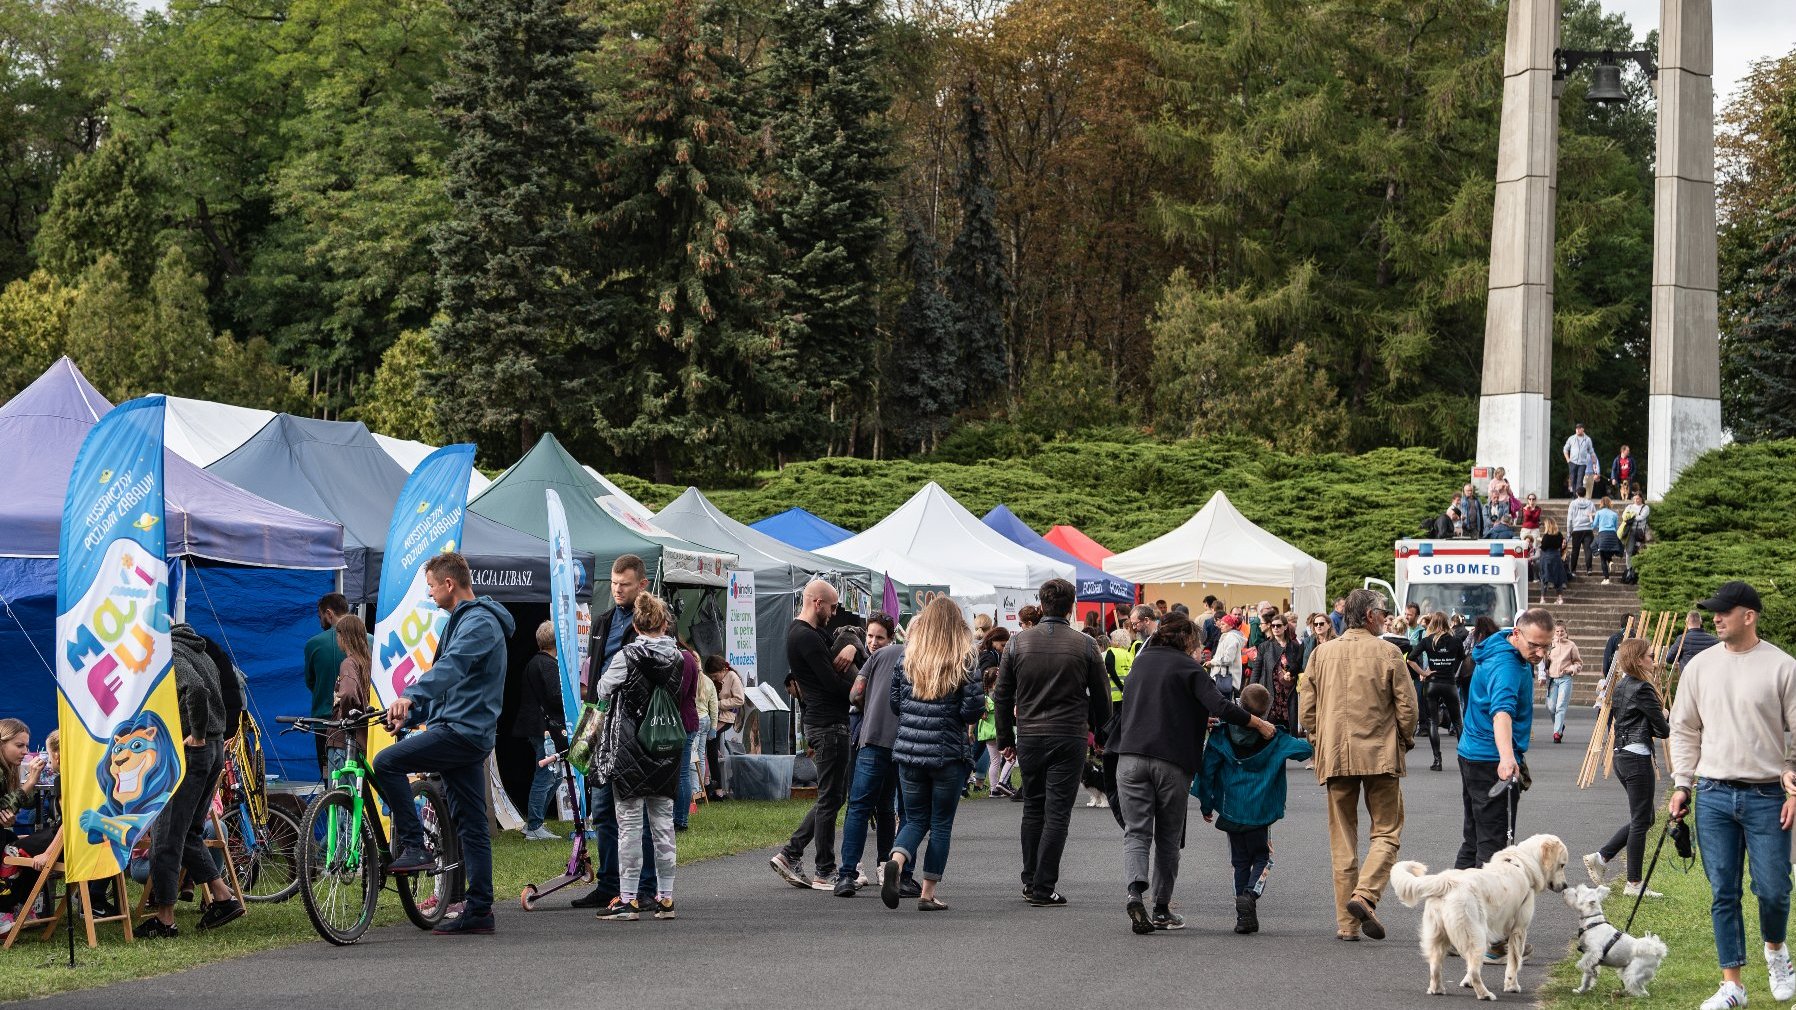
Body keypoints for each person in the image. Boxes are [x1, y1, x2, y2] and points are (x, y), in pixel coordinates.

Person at [1668, 581, 1796, 1010]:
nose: (1716, 618)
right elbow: (1683, 728)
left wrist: (1793, 777)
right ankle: (1733, 986)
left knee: (1774, 889)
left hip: (1768, 796)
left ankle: (1776, 951)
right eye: (1713, 611)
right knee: (1724, 892)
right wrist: (1682, 783)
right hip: (1714, 795)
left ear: (1749, 616)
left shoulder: (1782, 666)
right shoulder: (1699, 667)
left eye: (1724, 611)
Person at [373, 551, 514, 936]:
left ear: (449, 583)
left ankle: (414, 845)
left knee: (386, 763)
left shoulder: (479, 623)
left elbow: (449, 670)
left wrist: (411, 696)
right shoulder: (461, 622)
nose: (430, 594)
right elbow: (450, 687)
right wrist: (410, 716)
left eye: (432, 586)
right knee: (471, 826)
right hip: (463, 730)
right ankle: (481, 912)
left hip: (462, 733)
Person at [1110, 611, 1268, 934]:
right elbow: (1221, 706)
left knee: (1136, 832)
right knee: (1168, 837)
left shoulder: (1139, 662)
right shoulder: (1189, 667)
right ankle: (1162, 908)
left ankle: (1134, 893)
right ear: (1185, 639)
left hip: (1130, 757)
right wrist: (1257, 722)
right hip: (1171, 760)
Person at [1299, 588, 1416, 942]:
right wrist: (1404, 741)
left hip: (1335, 753)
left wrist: (1320, 740)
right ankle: (1365, 895)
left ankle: (1347, 924)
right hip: (1380, 753)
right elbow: (1407, 709)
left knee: (1342, 840)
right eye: (1382, 612)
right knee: (1387, 832)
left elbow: (1307, 708)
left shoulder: (1321, 653)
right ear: (1368, 616)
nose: (1385, 617)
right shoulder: (1389, 652)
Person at [994, 578, 1112, 907]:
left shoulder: (1018, 644)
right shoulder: (1086, 645)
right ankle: (1044, 885)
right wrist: (1102, 735)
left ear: (1042, 605)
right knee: (1057, 812)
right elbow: (1102, 697)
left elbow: (1001, 695)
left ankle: (1031, 880)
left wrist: (1005, 737)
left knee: (1033, 807)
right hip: (1069, 734)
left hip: (1030, 733)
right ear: (1071, 606)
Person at [881, 597, 985, 912]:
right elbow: (972, 709)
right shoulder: (966, 658)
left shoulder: (907, 656)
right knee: (940, 823)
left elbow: (895, 703)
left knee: (914, 818)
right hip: (947, 753)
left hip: (909, 753)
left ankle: (896, 860)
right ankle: (927, 893)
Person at [141, 623, 242, 937]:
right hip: (213, 749)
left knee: (166, 836)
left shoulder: (169, 651)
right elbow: (224, 692)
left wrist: (195, 734)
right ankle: (223, 897)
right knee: (188, 834)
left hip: (193, 749)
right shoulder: (202, 652)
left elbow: (194, 689)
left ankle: (165, 919)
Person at [588, 593, 684, 922]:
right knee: (663, 825)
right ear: (663, 623)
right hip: (666, 745)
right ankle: (666, 898)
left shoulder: (626, 655)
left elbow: (603, 689)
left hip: (630, 745)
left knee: (628, 825)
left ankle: (628, 899)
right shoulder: (680, 658)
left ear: (636, 624)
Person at [573, 555, 655, 908]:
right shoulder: (603, 621)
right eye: (614, 583)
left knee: (638, 808)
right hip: (600, 719)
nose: (618, 589)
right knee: (603, 807)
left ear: (642, 585)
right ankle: (609, 883)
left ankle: (648, 887)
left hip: (635, 723)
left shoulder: (651, 623)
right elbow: (593, 672)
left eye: (625, 584)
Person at [1196, 682, 1309, 935]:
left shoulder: (1221, 735)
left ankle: (1242, 916)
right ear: (1266, 712)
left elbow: (1207, 771)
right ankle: (1251, 894)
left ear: (1239, 706)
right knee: (1262, 858)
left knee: (1239, 862)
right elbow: (1304, 750)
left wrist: (1206, 803)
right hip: (1260, 812)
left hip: (1231, 809)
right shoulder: (1275, 738)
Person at [771, 580, 858, 890]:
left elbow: (843, 641)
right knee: (830, 798)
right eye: (832, 607)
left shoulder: (810, 634)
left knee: (832, 796)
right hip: (828, 723)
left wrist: (851, 644)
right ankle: (819, 866)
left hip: (824, 722)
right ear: (817, 603)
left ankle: (796, 855)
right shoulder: (805, 637)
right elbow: (831, 683)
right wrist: (861, 692)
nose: (834, 613)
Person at [1458, 607, 1553, 871]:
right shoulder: (1507, 665)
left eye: (1546, 647)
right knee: (1493, 847)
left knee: (1475, 838)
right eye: (1534, 645)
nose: (1541, 654)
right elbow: (1501, 713)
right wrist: (1507, 757)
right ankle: (1483, 908)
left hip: (1473, 753)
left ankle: (1451, 904)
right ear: (1516, 634)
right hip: (1489, 759)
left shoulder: (1499, 644)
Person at [1583, 639, 1670, 898]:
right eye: (1650, 657)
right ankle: (1633, 883)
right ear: (1639, 659)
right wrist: (1664, 715)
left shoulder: (1621, 685)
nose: (1654, 661)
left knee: (1644, 818)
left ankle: (1602, 856)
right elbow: (1662, 730)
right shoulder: (1643, 688)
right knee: (1642, 821)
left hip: (1622, 755)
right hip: (1636, 755)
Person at [835, 621, 916, 898]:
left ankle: (847, 874)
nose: (872, 640)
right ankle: (899, 872)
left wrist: (869, 709)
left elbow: (855, 693)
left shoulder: (880, 656)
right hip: (908, 743)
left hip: (872, 738)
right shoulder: (924, 657)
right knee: (903, 811)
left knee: (858, 806)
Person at [515, 621, 569, 840]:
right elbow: (555, 696)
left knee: (553, 776)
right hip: (545, 728)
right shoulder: (547, 664)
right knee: (547, 775)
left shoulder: (535, 662)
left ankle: (534, 823)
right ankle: (535, 825)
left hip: (537, 726)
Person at [0, 719, 51, 935]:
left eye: (27, 746)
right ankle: (5, 910)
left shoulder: (10, 769)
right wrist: (29, 783)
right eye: (19, 746)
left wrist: (31, 780)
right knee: (14, 846)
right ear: (2, 743)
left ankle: (19, 905)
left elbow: (19, 805)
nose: (25, 751)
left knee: (23, 846)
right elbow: (6, 806)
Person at [302, 592, 350, 779]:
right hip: (361, 718)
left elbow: (311, 682)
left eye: (320, 616)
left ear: (329, 614)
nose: (320, 621)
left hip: (325, 720)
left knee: (329, 777)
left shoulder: (313, 644)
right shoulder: (369, 639)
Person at [1410, 612, 1465, 770]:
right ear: (1447, 623)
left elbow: (1410, 658)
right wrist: (1452, 668)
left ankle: (1437, 761)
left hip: (1432, 683)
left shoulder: (1427, 641)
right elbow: (1462, 657)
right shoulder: (1455, 641)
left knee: (1433, 722)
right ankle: (1463, 759)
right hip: (1449, 683)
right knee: (1458, 723)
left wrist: (1424, 673)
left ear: (1432, 623)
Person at [327, 614, 373, 775]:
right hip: (361, 740)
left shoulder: (348, 663)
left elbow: (347, 693)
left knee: (339, 795)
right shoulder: (368, 663)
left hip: (342, 740)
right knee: (356, 793)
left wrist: (344, 719)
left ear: (343, 636)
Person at [1251, 613, 1301, 732]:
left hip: (1289, 693)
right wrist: (1251, 690)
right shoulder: (1264, 646)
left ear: (1285, 627)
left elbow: (1299, 667)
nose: (1275, 628)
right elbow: (1257, 669)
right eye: (1273, 626)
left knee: (1288, 729)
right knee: (1269, 729)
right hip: (1270, 691)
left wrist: (1292, 674)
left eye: (1278, 626)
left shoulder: (1295, 646)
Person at [705, 656, 745, 801]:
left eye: (715, 676)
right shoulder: (720, 677)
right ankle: (713, 786)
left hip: (726, 717)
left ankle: (718, 789)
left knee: (710, 746)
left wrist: (719, 703)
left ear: (723, 669)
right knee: (710, 747)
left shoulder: (732, 677)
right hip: (716, 716)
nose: (714, 678)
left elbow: (740, 699)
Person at [1541, 622, 1582, 744]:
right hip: (1552, 680)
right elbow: (1543, 661)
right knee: (1551, 706)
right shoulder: (1549, 645)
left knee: (1560, 707)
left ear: (1566, 632)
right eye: (1557, 631)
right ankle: (1559, 725)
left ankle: (1557, 733)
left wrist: (1571, 669)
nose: (1559, 634)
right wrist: (1544, 673)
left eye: (1562, 631)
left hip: (1565, 678)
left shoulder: (1571, 645)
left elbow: (1578, 663)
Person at [1209, 614, 1246, 699]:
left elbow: (1228, 660)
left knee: (1225, 706)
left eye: (1223, 624)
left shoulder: (1231, 638)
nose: (1220, 626)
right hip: (1226, 679)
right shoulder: (1227, 636)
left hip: (1226, 679)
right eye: (1220, 624)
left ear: (1230, 625)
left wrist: (1213, 662)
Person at [1592, 496, 1624, 584]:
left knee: (1602, 557)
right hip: (1612, 535)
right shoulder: (1614, 514)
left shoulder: (1599, 513)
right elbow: (1615, 526)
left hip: (1603, 534)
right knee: (1607, 553)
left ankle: (1606, 579)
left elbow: (1594, 526)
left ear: (1601, 503)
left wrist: (1590, 518)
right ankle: (1610, 561)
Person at [1567, 487, 1597, 574]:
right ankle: (1589, 569)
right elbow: (1595, 514)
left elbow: (1569, 519)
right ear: (1585, 493)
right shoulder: (1590, 503)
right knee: (1588, 550)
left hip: (1576, 529)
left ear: (1577, 493)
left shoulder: (1573, 504)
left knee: (1575, 550)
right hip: (1588, 529)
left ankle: (1573, 570)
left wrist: (1569, 531)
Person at [1538, 518, 1568, 605]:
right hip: (1556, 557)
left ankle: (1543, 598)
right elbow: (1560, 545)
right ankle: (1560, 598)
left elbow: (1543, 547)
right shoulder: (1559, 535)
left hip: (1547, 557)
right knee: (1558, 577)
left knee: (1544, 577)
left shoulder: (1546, 536)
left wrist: (1541, 541)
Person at [1564, 422, 1599, 496]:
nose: (1577, 430)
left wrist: (1594, 462)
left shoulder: (1587, 439)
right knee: (1573, 479)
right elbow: (1565, 449)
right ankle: (1574, 495)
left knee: (1579, 481)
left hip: (1582, 463)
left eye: (1579, 428)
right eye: (1576, 428)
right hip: (1572, 462)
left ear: (1583, 429)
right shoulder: (1571, 438)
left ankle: (1578, 497)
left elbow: (1591, 451)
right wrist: (1568, 460)